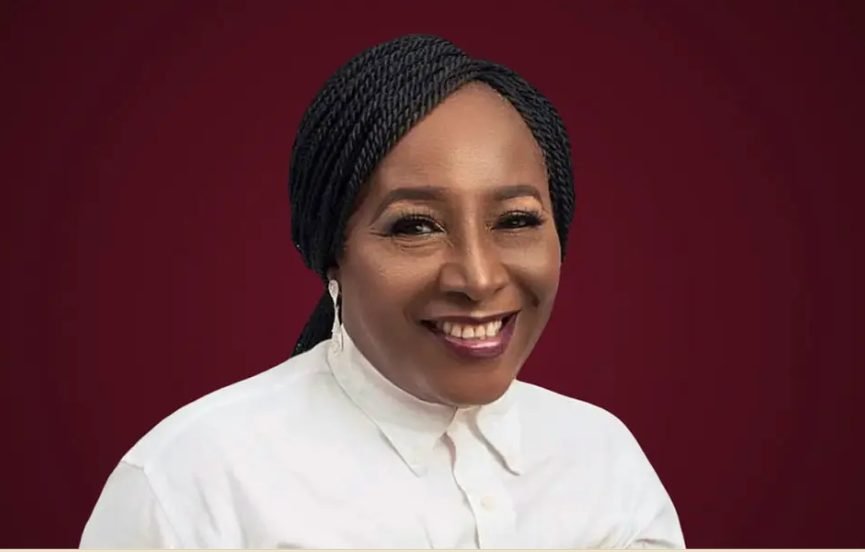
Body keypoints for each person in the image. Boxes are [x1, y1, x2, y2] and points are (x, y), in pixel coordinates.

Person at [80, 34, 685, 549]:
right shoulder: (191, 481)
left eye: (516, 220)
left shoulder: (602, 460)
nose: (478, 278)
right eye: (415, 227)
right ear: (332, 254)